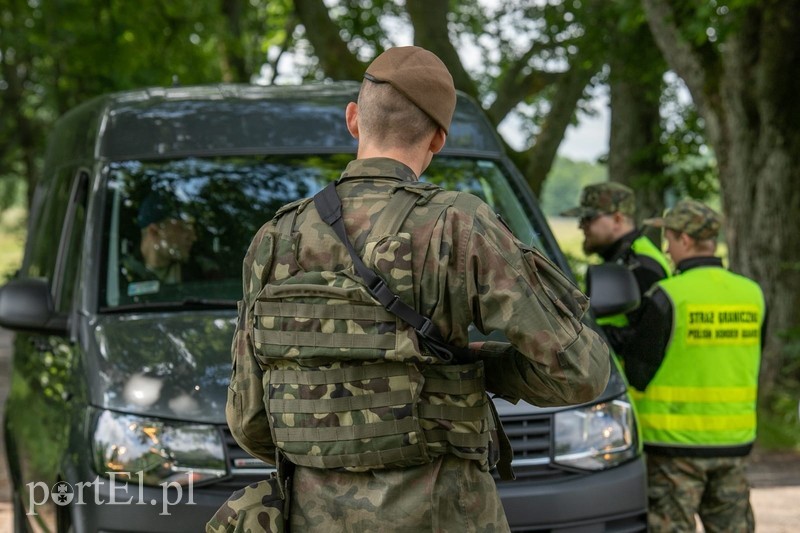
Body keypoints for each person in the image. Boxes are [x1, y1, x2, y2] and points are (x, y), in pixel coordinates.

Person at [223, 46, 611, 532]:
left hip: (312, 517)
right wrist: (472, 368)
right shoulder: (458, 225)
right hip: (445, 514)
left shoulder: (274, 240)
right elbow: (582, 371)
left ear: (353, 120)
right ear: (439, 139)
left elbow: (249, 421)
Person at [621, 200, 765, 532]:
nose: (667, 250)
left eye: (668, 239)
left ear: (684, 240)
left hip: (673, 449)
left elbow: (639, 371)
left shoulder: (668, 295)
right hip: (734, 444)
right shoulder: (752, 294)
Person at [561, 182, 670, 352]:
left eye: (588, 218)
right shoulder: (620, 260)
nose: (581, 226)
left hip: (622, 376)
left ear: (617, 219)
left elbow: (649, 337)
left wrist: (588, 336)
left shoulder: (639, 265)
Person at [122, 190, 197, 285]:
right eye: (182, 228)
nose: (193, 238)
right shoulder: (122, 275)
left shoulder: (199, 272)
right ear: (154, 231)